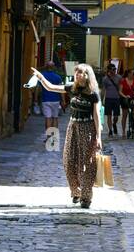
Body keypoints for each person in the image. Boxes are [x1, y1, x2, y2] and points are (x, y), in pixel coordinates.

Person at [32, 62, 103, 208]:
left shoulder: (93, 94)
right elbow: (51, 87)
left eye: (81, 72)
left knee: (87, 163)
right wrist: (40, 77)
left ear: (87, 76)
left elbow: (96, 116)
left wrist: (98, 137)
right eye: (77, 72)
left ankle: (86, 197)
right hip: (73, 127)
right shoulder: (72, 89)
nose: (78, 74)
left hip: (87, 128)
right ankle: (75, 191)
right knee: (68, 160)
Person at [38, 61, 64, 144]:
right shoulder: (58, 77)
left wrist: (36, 99)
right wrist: (63, 100)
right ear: (54, 67)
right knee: (55, 118)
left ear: (46, 66)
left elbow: (38, 88)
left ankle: (48, 138)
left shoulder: (42, 76)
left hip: (46, 99)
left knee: (48, 118)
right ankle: (54, 138)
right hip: (56, 100)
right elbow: (61, 89)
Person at [100, 63, 122, 139]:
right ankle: (110, 130)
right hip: (108, 98)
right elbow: (103, 89)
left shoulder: (119, 77)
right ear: (109, 70)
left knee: (116, 116)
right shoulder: (105, 79)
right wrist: (101, 99)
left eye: (115, 69)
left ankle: (114, 124)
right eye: (113, 69)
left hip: (116, 98)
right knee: (109, 115)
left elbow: (121, 87)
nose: (114, 70)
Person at [118, 67, 134, 137]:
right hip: (125, 99)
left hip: (133, 99)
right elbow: (120, 91)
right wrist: (125, 96)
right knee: (124, 115)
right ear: (129, 74)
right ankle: (123, 131)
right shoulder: (123, 81)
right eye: (133, 73)